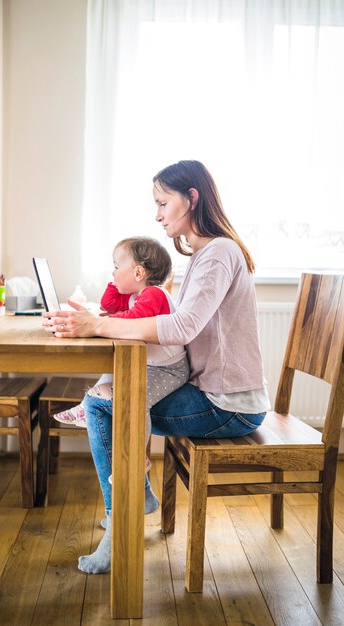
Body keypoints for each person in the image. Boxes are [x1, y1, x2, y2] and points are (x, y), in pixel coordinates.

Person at [42, 159, 271, 575]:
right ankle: (132, 502)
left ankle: (120, 520)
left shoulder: (219, 252)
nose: (158, 214)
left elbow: (181, 327)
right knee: (108, 398)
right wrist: (99, 319)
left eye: (163, 203)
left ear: (192, 198)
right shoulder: (207, 255)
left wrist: (97, 324)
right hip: (216, 394)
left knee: (103, 404)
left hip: (228, 405)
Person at [53, 236, 190, 480]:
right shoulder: (138, 295)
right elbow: (110, 304)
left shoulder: (155, 295)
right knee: (113, 366)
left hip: (168, 370)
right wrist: (116, 281)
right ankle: (86, 407)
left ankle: (138, 460)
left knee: (137, 400)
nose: (113, 272)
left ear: (138, 272)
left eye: (116, 267)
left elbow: (131, 320)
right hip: (152, 364)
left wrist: (100, 322)